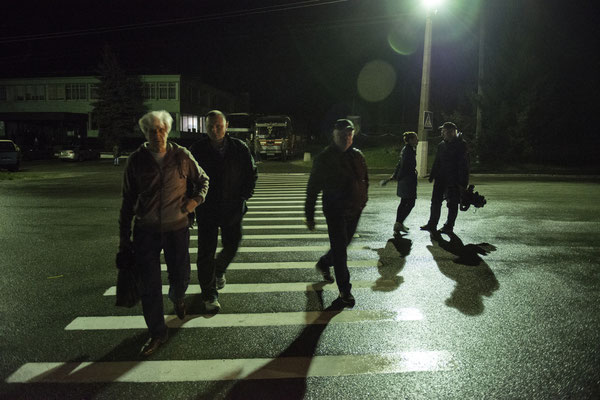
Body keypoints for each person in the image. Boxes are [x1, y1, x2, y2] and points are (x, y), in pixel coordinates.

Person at [118, 110, 209, 356]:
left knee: (180, 274)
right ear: (145, 133)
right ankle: (157, 333)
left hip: (177, 228)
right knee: (149, 285)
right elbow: (127, 201)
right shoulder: (136, 160)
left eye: (161, 129)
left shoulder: (181, 156)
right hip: (146, 231)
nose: (157, 134)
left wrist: (194, 202)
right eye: (152, 130)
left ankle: (178, 296)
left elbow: (203, 180)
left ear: (168, 131)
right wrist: (124, 238)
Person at [190, 110, 257, 313]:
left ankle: (219, 270)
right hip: (207, 210)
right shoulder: (196, 150)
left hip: (232, 208)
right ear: (205, 127)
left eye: (219, 125)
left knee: (233, 244)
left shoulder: (239, 148)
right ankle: (209, 294)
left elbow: (251, 174)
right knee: (205, 254)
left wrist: (243, 197)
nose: (214, 129)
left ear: (227, 125)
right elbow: (188, 178)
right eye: (210, 126)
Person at [304, 119, 368, 307]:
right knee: (340, 251)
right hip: (335, 211)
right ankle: (345, 291)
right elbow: (312, 189)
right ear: (334, 135)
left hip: (355, 210)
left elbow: (364, 180)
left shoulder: (358, 156)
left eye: (349, 135)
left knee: (343, 246)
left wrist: (363, 201)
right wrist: (310, 215)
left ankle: (324, 262)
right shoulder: (324, 158)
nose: (346, 138)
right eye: (342, 135)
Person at [420, 121, 469, 235]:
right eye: (442, 130)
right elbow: (437, 161)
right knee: (435, 202)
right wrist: (432, 175)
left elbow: (464, 165)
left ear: (451, 132)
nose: (442, 133)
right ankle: (432, 224)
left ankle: (449, 226)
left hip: (454, 180)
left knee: (452, 204)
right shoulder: (441, 144)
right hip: (440, 179)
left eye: (444, 131)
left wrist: (463, 183)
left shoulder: (461, 145)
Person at [389, 131, 418, 234]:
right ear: (410, 140)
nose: (417, 140)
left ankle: (399, 223)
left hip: (404, 180)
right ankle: (399, 223)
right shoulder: (408, 151)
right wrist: (399, 176)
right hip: (408, 180)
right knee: (410, 203)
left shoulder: (406, 149)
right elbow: (404, 165)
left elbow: (399, 163)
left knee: (403, 202)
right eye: (415, 138)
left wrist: (395, 175)